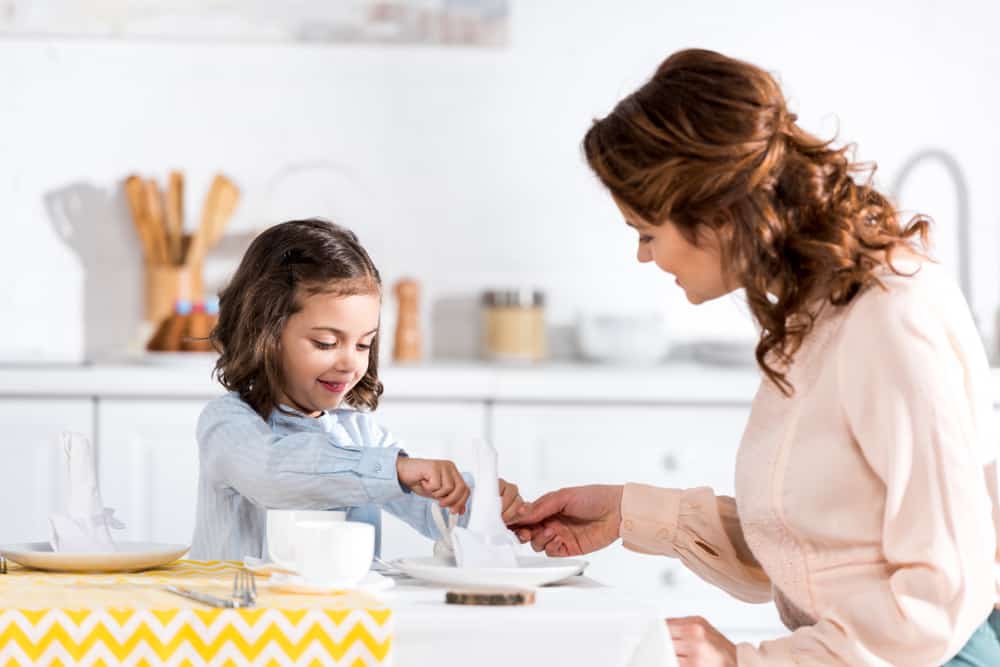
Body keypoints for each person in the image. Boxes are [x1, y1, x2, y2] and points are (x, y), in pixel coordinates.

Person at [511, 49, 1000, 666]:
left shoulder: (890, 315)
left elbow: (942, 596)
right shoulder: (819, 309)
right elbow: (818, 544)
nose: (644, 257)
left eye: (646, 233)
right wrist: (626, 511)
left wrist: (742, 661)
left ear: (714, 216)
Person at [190, 218, 523, 561]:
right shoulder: (227, 423)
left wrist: (488, 508)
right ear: (265, 333)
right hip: (240, 597)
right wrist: (393, 471)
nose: (350, 363)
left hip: (339, 599)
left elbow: (431, 510)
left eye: (364, 344)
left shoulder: (362, 437)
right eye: (326, 343)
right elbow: (272, 474)